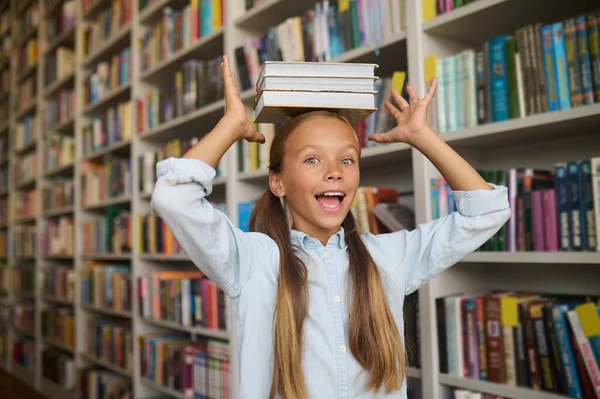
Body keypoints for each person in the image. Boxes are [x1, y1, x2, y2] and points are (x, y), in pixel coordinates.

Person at [151, 55, 511, 399]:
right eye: (312, 159)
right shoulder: (253, 262)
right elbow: (174, 199)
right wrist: (230, 127)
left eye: (347, 159)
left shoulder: (388, 257)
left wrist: (423, 137)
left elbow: (486, 213)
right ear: (278, 183)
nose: (334, 170)